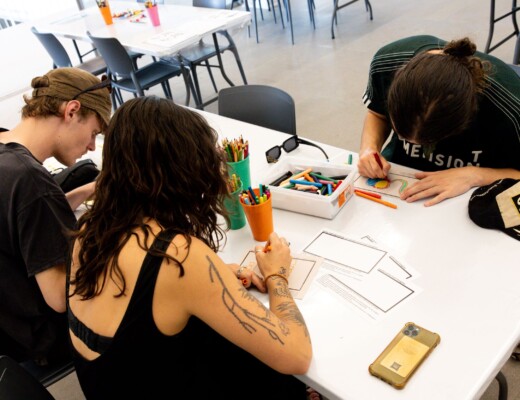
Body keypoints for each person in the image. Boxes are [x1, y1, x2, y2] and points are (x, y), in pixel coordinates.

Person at [67, 96, 312, 399]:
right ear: (181, 173)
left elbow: (139, 306)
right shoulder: (178, 255)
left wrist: (216, 275)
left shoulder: (90, 229)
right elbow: (297, 355)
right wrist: (277, 276)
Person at [0, 67, 111, 366]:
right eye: (94, 133)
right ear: (72, 111)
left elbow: (22, 216)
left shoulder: (6, 153)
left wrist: (89, 189)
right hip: (39, 340)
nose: (91, 146)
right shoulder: (32, 184)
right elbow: (61, 299)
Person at [358, 35, 520, 206]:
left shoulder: (510, 107)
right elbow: (377, 114)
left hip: (476, 193)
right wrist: (369, 148)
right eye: (401, 133)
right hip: (400, 179)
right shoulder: (387, 63)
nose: (411, 143)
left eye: (427, 141)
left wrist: (475, 176)